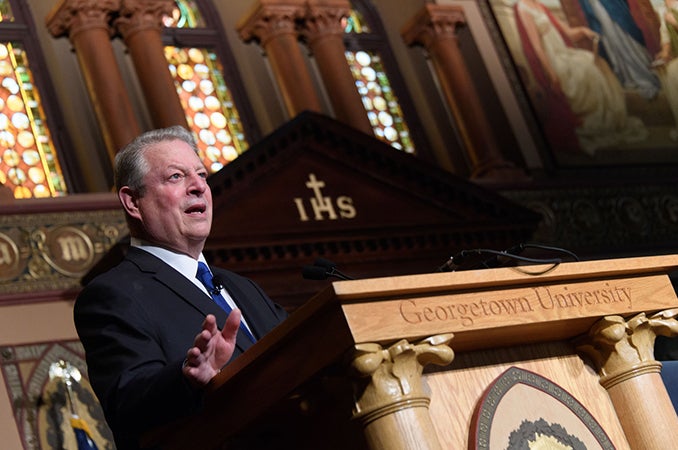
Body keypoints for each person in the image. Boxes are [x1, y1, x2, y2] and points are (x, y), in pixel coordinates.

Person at [74, 125, 288, 450]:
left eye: (201, 174)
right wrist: (187, 376)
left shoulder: (242, 287)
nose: (199, 186)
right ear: (133, 202)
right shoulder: (112, 296)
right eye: (176, 177)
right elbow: (128, 400)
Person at [514, 0, 648, 155]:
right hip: (553, 60)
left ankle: (608, 121)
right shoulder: (523, 8)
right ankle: (598, 122)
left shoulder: (540, 7)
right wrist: (551, 72)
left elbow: (568, 33)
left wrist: (584, 31)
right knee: (587, 67)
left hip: (564, 54)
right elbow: (536, 47)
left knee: (597, 63)